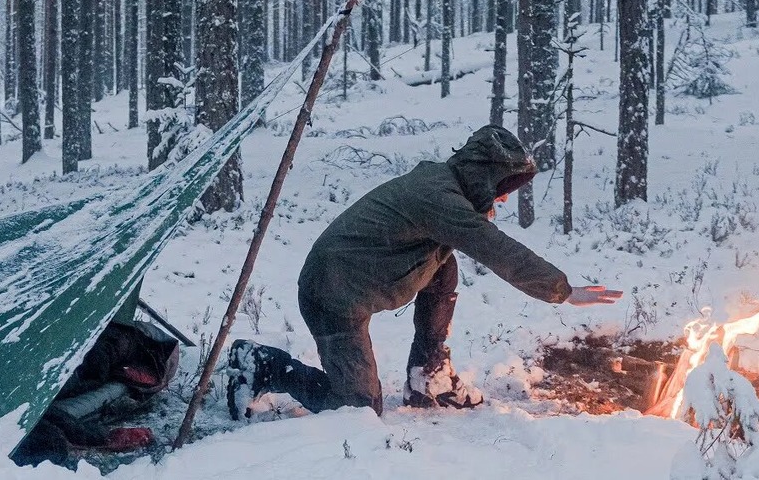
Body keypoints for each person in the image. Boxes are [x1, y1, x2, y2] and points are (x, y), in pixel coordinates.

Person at [226, 125, 622, 419]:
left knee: (442, 267)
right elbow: (494, 248)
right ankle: (264, 364)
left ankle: (427, 374)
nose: (503, 196)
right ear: (482, 174)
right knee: (359, 409)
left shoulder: (443, 186)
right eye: (502, 185)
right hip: (332, 295)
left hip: (361, 276)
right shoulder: (437, 197)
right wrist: (562, 290)